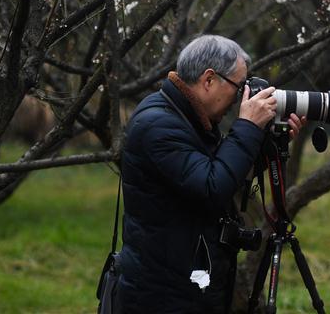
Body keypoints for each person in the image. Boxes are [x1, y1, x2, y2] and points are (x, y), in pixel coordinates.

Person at [118, 35, 305, 313]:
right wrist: (247, 127)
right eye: (239, 86)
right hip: (163, 298)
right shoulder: (158, 125)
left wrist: (267, 146)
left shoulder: (189, 119)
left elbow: (225, 175)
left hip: (188, 287)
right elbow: (211, 187)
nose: (242, 96)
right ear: (208, 80)